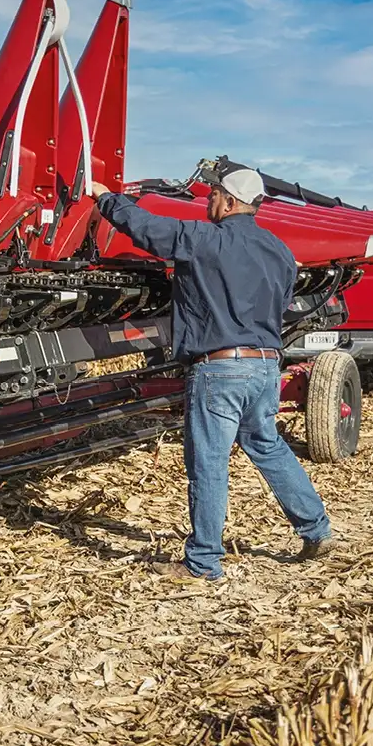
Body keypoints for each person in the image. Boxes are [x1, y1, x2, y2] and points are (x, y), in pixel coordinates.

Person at [90, 167, 336, 582]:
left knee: (208, 462)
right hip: (264, 365)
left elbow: (148, 229)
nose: (207, 203)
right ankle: (317, 529)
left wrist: (104, 198)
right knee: (268, 445)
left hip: (220, 368)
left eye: (213, 196)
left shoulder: (204, 240)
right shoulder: (279, 251)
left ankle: (203, 562)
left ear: (229, 201)